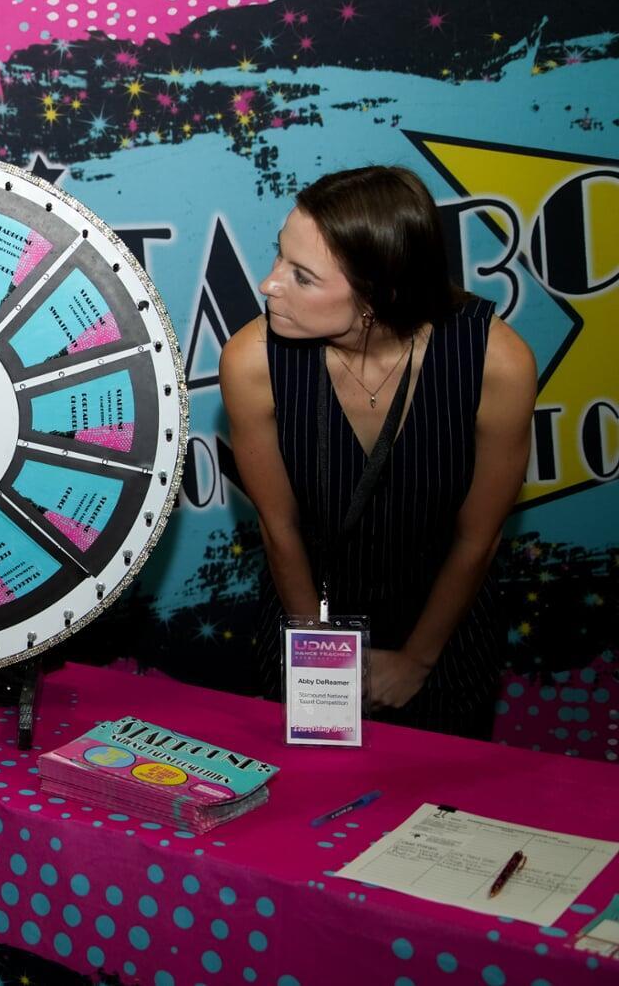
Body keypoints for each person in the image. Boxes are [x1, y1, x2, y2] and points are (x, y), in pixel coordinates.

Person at [219, 165, 536, 740]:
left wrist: (417, 660)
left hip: (444, 632)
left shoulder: (497, 362)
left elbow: (478, 537)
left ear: (378, 295)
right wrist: (319, 658)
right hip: (306, 617)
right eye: (279, 255)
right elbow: (278, 527)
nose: (269, 285)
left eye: (302, 276)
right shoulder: (252, 361)